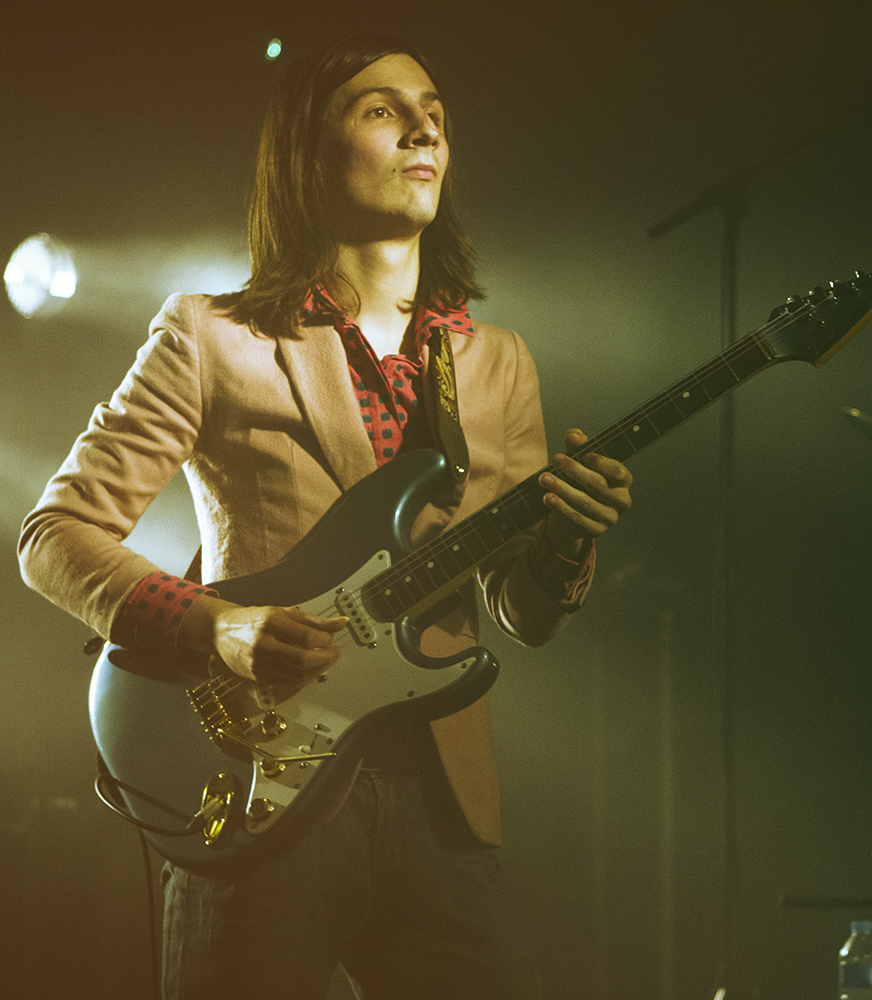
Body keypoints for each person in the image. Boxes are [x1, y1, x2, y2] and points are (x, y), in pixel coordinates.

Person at [17, 35, 633, 1000]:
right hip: (258, 775)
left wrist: (567, 541)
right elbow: (54, 537)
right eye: (382, 109)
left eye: (433, 107)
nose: (425, 123)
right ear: (309, 150)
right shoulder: (212, 335)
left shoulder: (498, 364)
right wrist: (218, 627)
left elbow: (524, 616)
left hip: (443, 798)